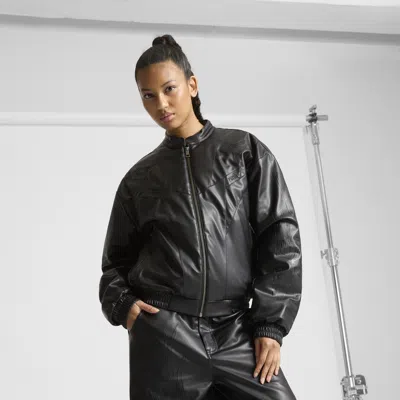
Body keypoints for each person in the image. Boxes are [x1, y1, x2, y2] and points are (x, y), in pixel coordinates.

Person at [99, 34, 302, 400]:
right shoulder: (138, 180)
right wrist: (124, 306)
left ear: (192, 85)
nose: (161, 104)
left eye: (169, 89)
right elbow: (114, 264)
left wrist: (270, 326)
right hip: (166, 335)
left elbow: (280, 236)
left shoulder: (244, 151)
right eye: (148, 95)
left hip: (236, 328)